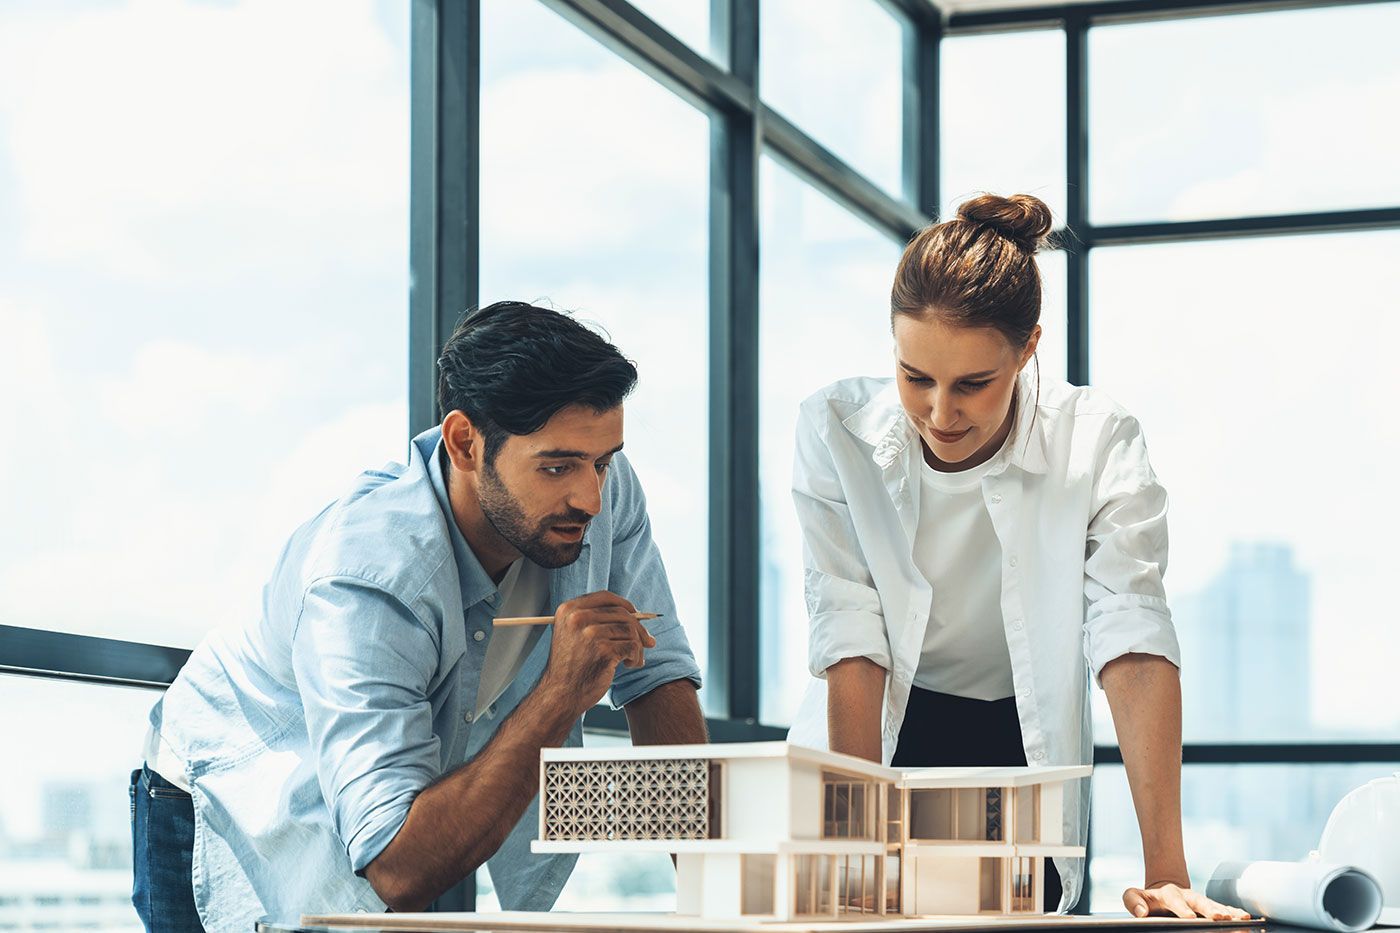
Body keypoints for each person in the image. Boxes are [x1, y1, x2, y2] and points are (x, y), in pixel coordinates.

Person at [130, 301, 707, 932]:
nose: (591, 497)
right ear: (465, 442)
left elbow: (656, 673)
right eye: (557, 466)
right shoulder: (368, 575)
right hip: (238, 797)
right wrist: (562, 692)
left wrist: (713, 895)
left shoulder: (600, 490)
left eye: (603, 460)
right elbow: (399, 868)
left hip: (395, 803)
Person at [785, 194, 1249, 920]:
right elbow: (851, 636)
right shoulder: (834, 430)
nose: (940, 414)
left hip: (1014, 738)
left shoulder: (1096, 439)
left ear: (1028, 348)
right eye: (916, 377)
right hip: (875, 728)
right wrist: (854, 837)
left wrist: (1167, 867)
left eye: (973, 383)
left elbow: (1132, 636)